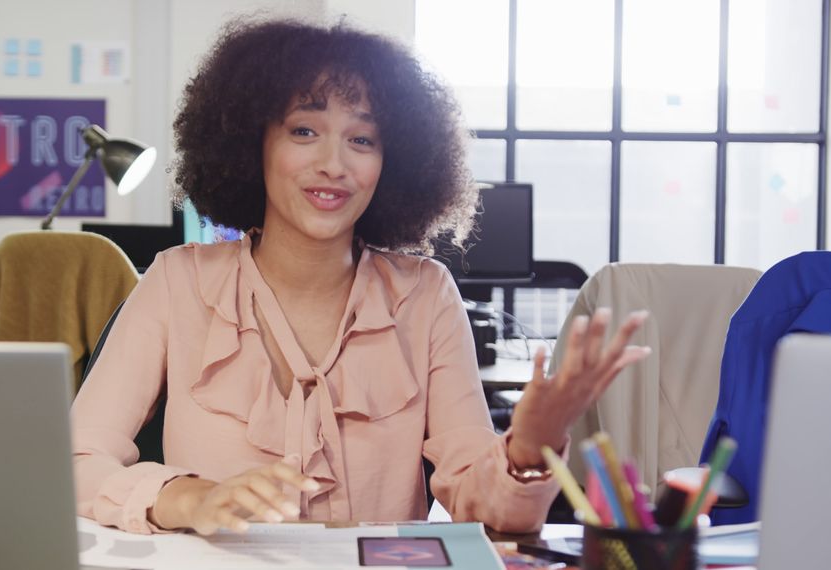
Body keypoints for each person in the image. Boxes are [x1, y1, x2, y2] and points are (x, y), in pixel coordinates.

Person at [71, 16, 650, 536]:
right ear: (254, 145)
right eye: (304, 130)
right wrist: (186, 498)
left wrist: (527, 449)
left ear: (390, 162)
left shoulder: (425, 296)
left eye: (362, 139)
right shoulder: (177, 282)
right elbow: (71, 462)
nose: (334, 164)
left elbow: (488, 513)